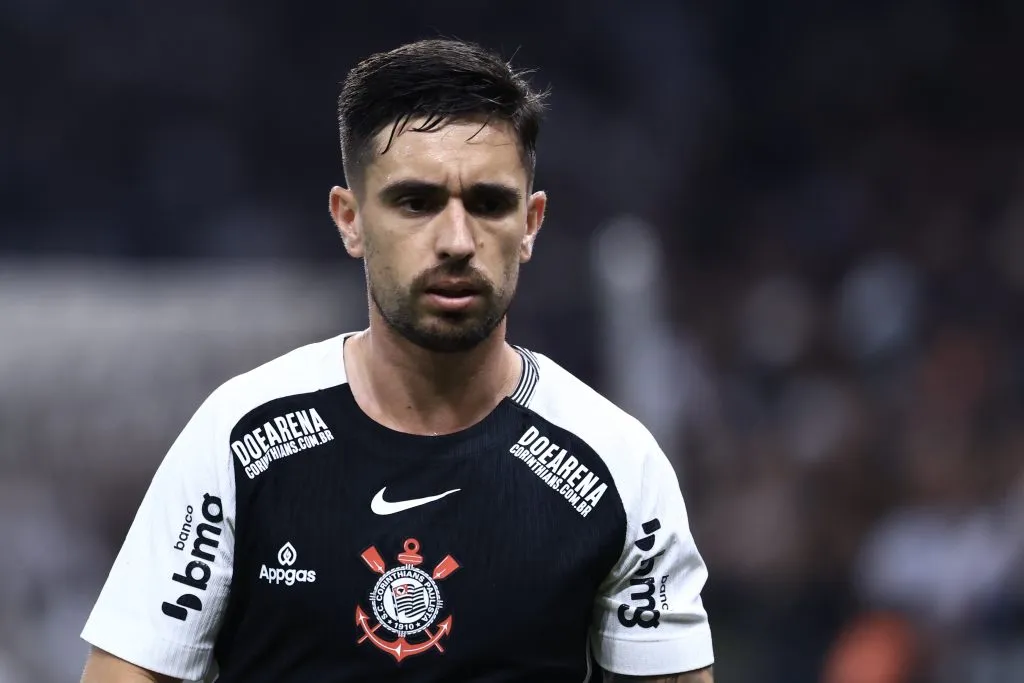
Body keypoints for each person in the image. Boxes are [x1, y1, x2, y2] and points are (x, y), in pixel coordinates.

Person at [79, 38, 715, 683]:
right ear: (349, 220)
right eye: (416, 202)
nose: (457, 241)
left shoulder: (619, 467)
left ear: (530, 223)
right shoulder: (238, 439)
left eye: (490, 204)